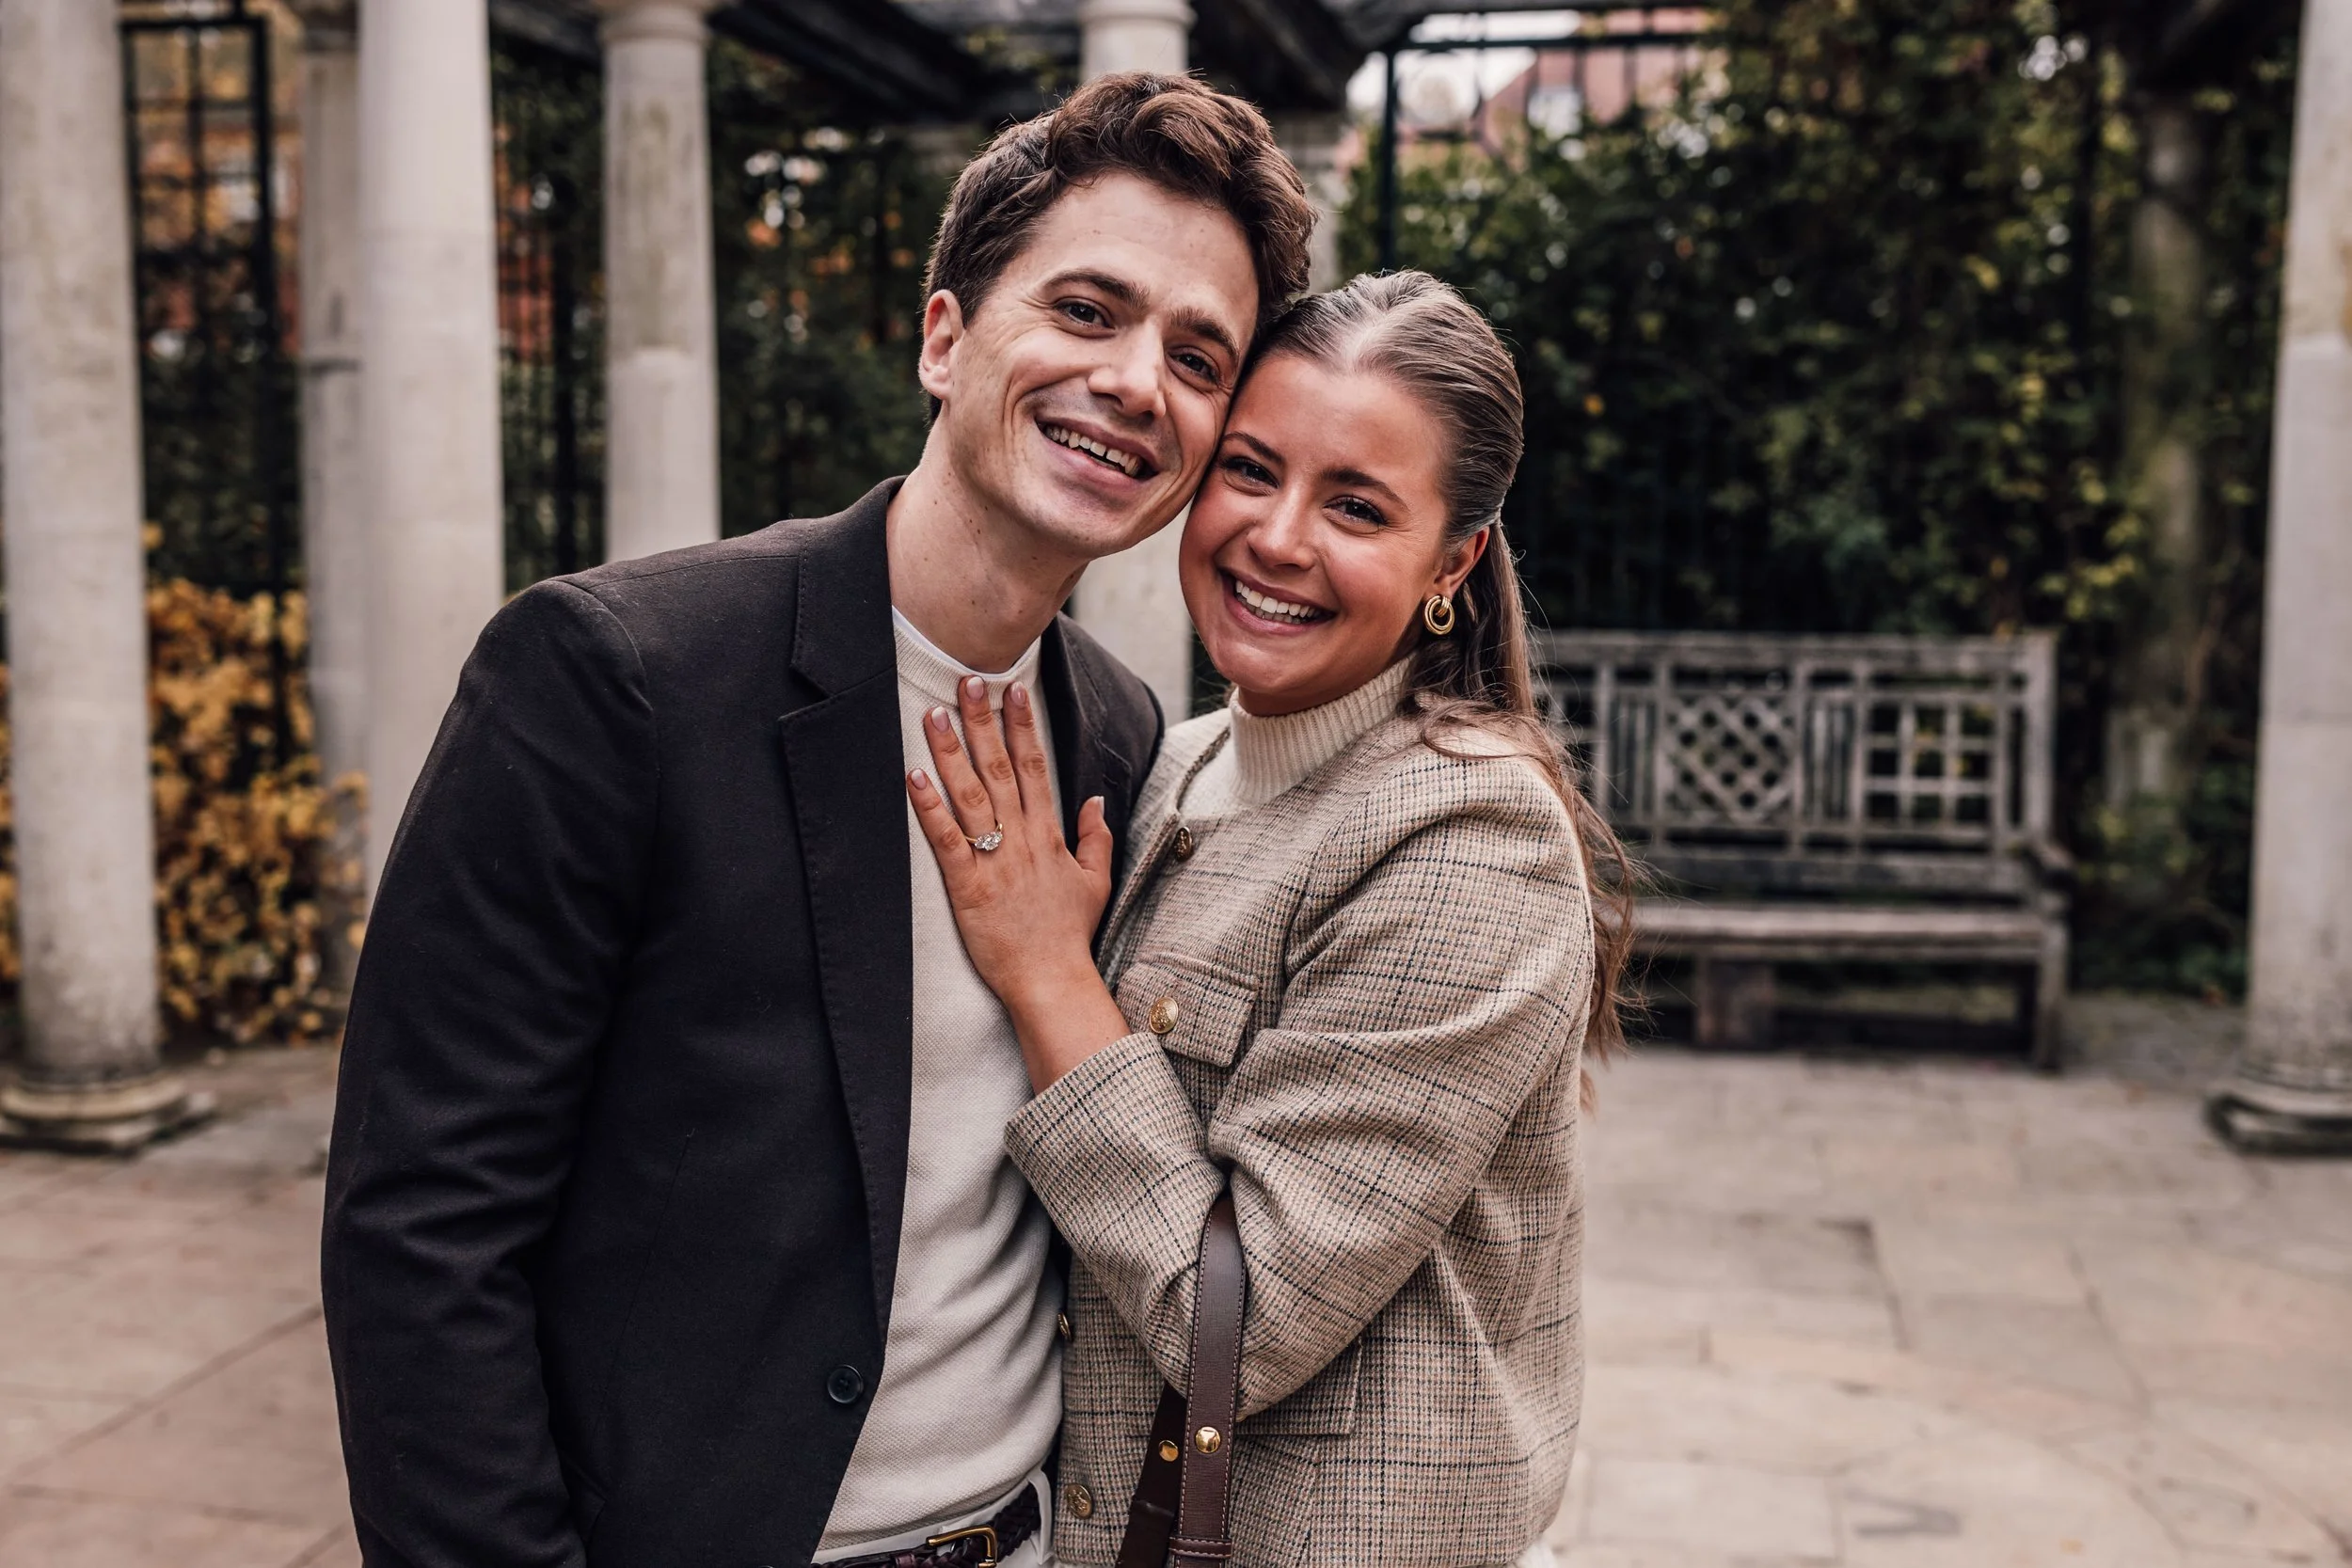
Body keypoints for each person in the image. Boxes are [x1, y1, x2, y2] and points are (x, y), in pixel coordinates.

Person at [320, 74, 1313, 1568]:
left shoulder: (1118, 739)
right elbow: (420, 1232)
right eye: (1087, 310)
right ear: (943, 337)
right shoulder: (615, 678)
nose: (1133, 382)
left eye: (1196, 356)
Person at [904, 270, 1632, 1567]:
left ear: (1453, 561)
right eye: (1251, 470)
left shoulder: (1467, 838)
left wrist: (1048, 970)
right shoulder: (1177, 762)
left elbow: (1238, 1324)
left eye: (1356, 506)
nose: (1279, 538)